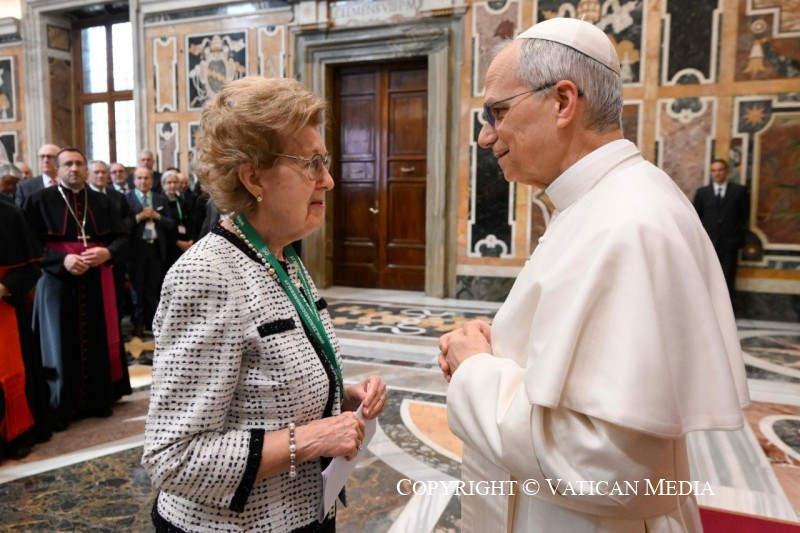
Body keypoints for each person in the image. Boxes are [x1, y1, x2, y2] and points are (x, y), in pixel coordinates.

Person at [437, 18, 749, 532]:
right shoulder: (599, 201)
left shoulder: (629, 222)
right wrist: (506, 350)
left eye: (498, 111)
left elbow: (607, 465)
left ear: (563, 101)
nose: (486, 135)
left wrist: (474, 370)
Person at [142, 76, 388, 532]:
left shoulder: (281, 256)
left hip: (302, 515)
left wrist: (337, 396)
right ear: (254, 177)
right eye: (311, 164)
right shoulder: (208, 275)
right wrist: (311, 439)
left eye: (325, 161)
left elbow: (261, 385)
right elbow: (172, 458)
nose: (328, 180)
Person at [23, 147, 131, 430]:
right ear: (57, 169)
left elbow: (123, 237)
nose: (74, 168)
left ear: (86, 168)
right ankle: (60, 404)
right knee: (58, 340)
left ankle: (98, 398)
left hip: (96, 279)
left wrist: (107, 253)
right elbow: (30, 245)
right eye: (68, 164)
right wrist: (62, 260)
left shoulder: (103, 201)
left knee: (97, 335)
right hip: (56, 281)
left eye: (79, 163)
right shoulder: (38, 200)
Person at [0, 200, 52, 459]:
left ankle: (16, 435)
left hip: (5, 307)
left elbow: (31, 268)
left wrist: (4, 288)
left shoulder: (11, 214)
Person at [125, 167, 174, 338]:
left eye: (146, 178)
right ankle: (137, 322)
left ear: (152, 181)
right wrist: (138, 217)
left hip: (155, 249)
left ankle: (152, 322)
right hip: (136, 250)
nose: (143, 181)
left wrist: (156, 216)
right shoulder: (127, 198)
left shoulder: (160, 198)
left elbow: (171, 224)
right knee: (137, 289)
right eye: (139, 178)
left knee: (153, 288)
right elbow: (123, 224)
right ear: (134, 181)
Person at [693, 159, 749, 301]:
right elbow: (697, 216)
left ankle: (729, 309)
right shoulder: (702, 193)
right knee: (707, 276)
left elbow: (744, 215)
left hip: (730, 242)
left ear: (727, 172)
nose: (716, 173)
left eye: (720, 170)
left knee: (728, 277)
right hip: (709, 241)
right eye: (713, 170)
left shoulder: (739, 191)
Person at [160, 170, 194, 274]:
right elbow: (163, 226)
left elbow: (190, 221)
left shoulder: (182, 200)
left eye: (175, 182)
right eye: (169, 182)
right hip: (170, 245)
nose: (172, 185)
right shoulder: (160, 201)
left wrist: (191, 239)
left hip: (186, 242)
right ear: (163, 185)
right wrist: (178, 242)